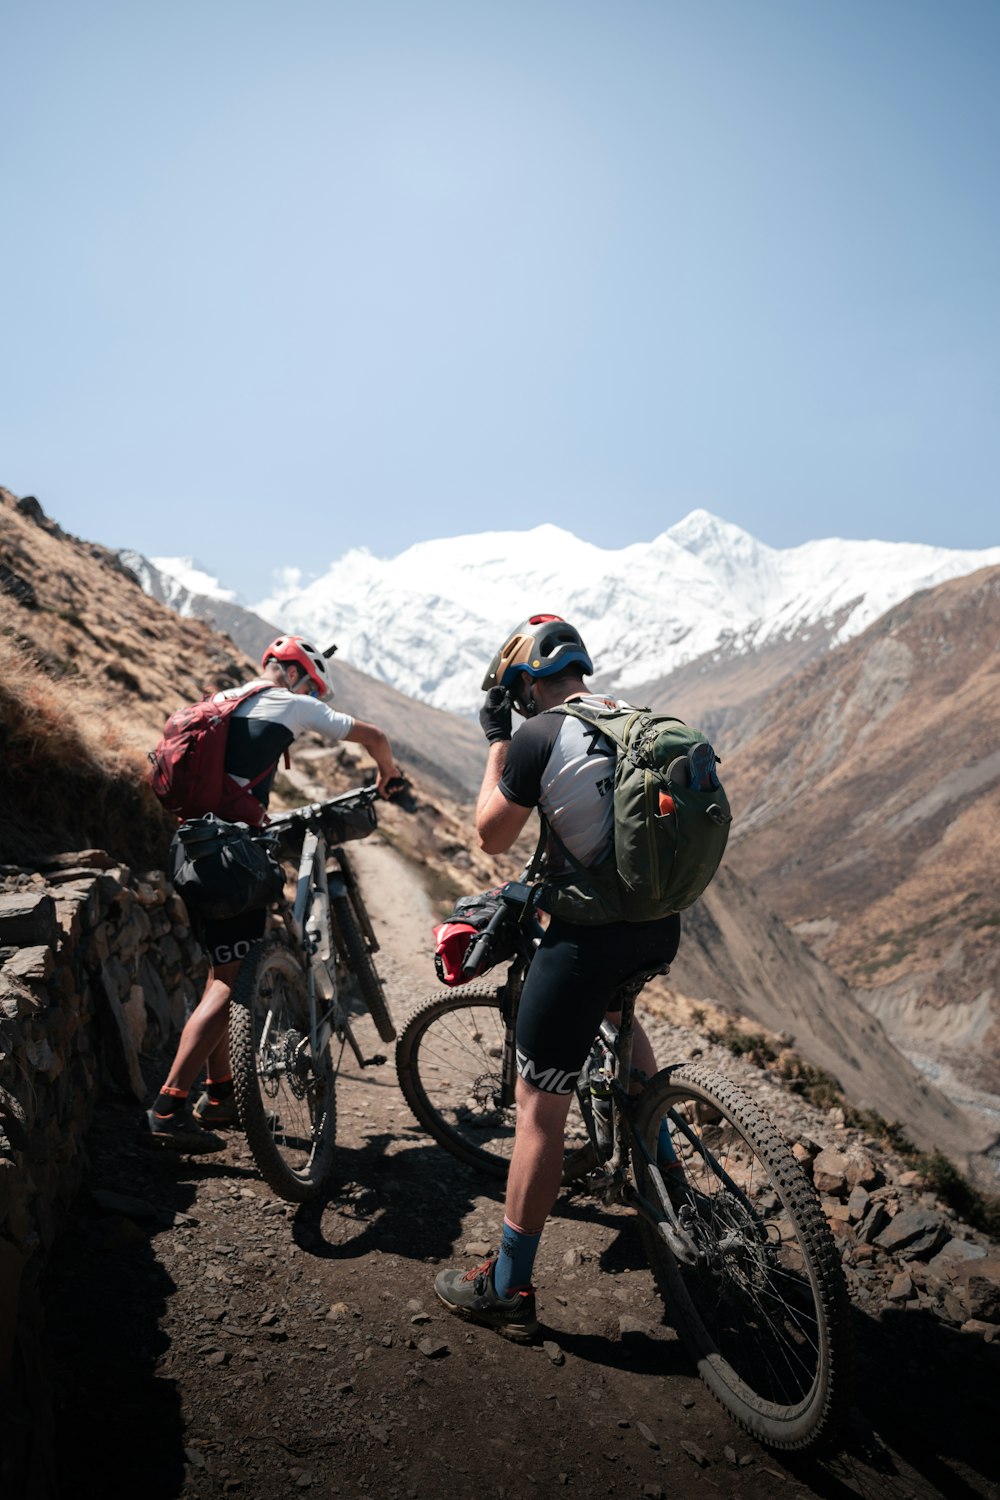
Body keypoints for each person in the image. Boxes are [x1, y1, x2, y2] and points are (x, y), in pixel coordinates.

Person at [434, 615, 682, 1339]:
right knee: (619, 1018)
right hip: (659, 924)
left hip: (588, 943)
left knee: (540, 1107)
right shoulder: (633, 720)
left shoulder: (540, 736)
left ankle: (508, 1288)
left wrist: (496, 744)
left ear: (521, 684)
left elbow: (491, 835)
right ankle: (668, 1187)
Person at [144, 633, 403, 1152]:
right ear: (299, 674)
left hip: (192, 850)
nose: (310, 691)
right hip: (231, 859)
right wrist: (387, 774)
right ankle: (168, 1108)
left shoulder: (221, 701)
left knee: (222, 972)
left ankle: (218, 1100)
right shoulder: (290, 703)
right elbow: (372, 735)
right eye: (311, 683)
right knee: (230, 984)